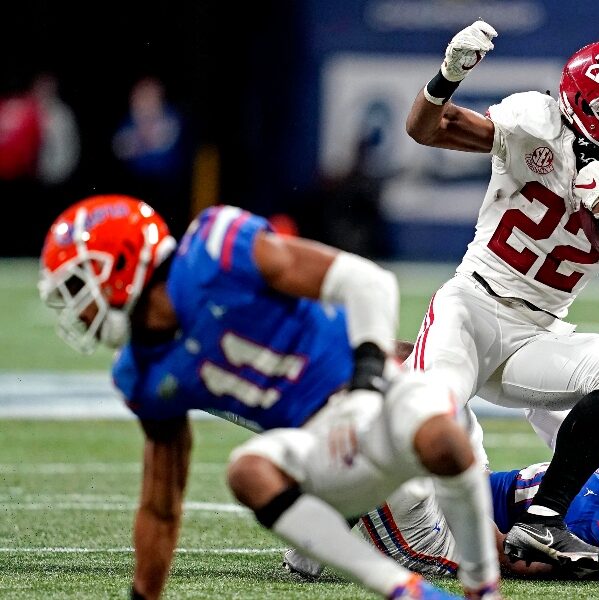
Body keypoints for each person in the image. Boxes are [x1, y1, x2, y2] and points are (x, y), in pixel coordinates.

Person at [37, 195, 501, 600]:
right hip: (319, 444)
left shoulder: (215, 252)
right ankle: (402, 590)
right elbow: (160, 506)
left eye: (80, 286)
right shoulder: (141, 372)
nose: (79, 310)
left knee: (441, 437)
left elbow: (368, 283)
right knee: (248, 471)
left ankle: (482, 588)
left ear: (122, 264)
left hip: (375, 396)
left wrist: (363, 388)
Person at [403, 21, 599, 572]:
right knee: (422, 422)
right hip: (472, 308)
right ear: (588, 107)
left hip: (540, 332)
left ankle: (542, 522)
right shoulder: (535, 125)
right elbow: (427, 130)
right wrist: (447, 77)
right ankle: (330, 506)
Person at [284, 429, 599, 582]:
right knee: (432, 404)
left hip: (457, 539)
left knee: (385, 456)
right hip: (465, 494)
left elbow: (508, 558)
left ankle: (313, 537)